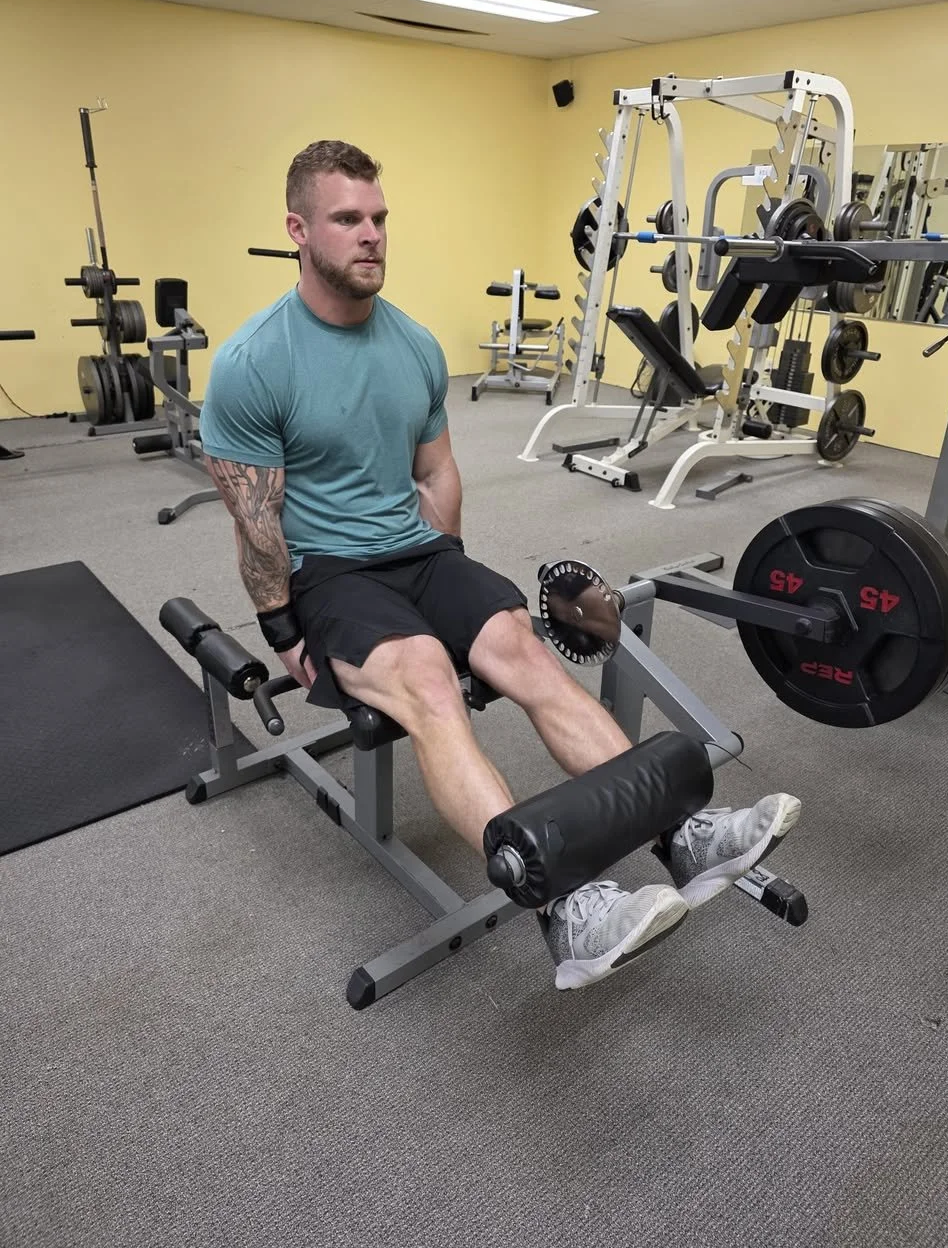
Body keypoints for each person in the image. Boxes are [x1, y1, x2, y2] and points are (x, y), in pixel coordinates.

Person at [199, 141, 801, 992]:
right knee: (433, 689)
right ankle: (571, 914)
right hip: (329, 573)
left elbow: (436, 471)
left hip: (419, 553)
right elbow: (253, 519)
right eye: (347, 220)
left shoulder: (411, 345)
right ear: (298, 230)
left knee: (520, 648)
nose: (370, 236)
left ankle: (684, 832)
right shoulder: (253, 361)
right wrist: (279, 627)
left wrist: (452, 581)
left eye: (378, 218)